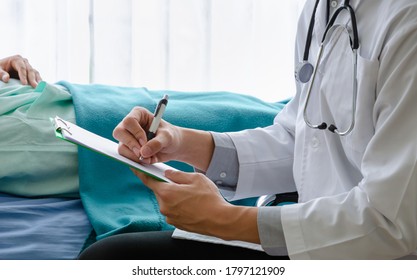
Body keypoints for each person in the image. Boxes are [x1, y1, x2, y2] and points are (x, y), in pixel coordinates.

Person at [79, 0, 417, 259]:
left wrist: (224, 219)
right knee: (111, 257)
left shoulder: (407, 23)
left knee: (110, 260)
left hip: (369, 254)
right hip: (315, 236)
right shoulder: (323, 8)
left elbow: (392, 223)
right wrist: (183, 142)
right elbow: (304, 139)